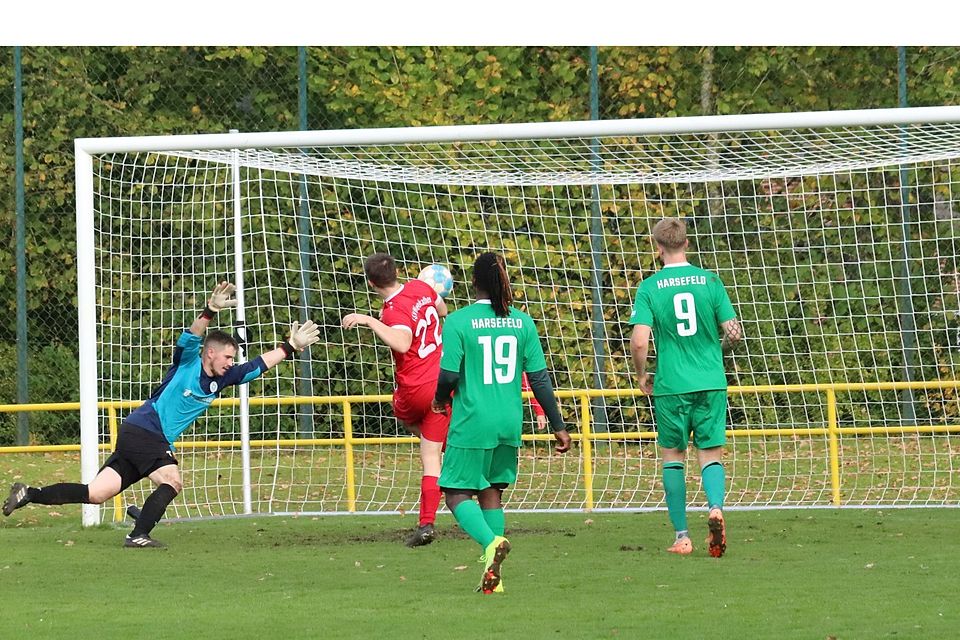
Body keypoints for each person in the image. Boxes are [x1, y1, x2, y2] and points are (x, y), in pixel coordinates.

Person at [3, 282, 320, 548]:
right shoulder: (187, 363)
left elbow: (255, 367)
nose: (230, 362)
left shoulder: (224, 377)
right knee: (172, 480)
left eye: (232, 358)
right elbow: (191, 334)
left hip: (139, 435)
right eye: (226, 356)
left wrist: (290, 346)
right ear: (209, 352)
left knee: (96, 493)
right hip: (145, 431)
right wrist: (209, 310)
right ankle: (139, 533)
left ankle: (29, 493)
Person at [432, 251, 571, 594]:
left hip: (473, 421)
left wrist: (438, 400)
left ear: (474, 282)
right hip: (509, 421)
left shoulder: (459, 321)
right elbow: (539, 379)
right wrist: (558, 424)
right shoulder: (522, 322)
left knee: (454, 492)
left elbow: (449, 374)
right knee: (490, 491)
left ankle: (491, 544)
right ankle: (494, 577)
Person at [628, 218, 743, 558]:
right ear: (687, 243)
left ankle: (682, 537)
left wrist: (641, 374)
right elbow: (734, 333)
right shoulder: (710, 281)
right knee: (710, 455)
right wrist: (715, 350)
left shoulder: (650, 287)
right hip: (710, 382)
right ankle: (716, 508)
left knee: (673, 458)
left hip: (671, 385)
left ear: (657, 247)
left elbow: (638, 342)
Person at [341, 253, 451, 548]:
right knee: (433, 456)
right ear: (397, 271)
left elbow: (402, 342)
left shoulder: (392, 311)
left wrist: (368, 320)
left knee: (402, 414)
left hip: (416, 387)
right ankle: (426, 522)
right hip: (443, 383)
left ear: (370, 283)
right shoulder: (421, 286)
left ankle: (428, 521)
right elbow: (442, 310)